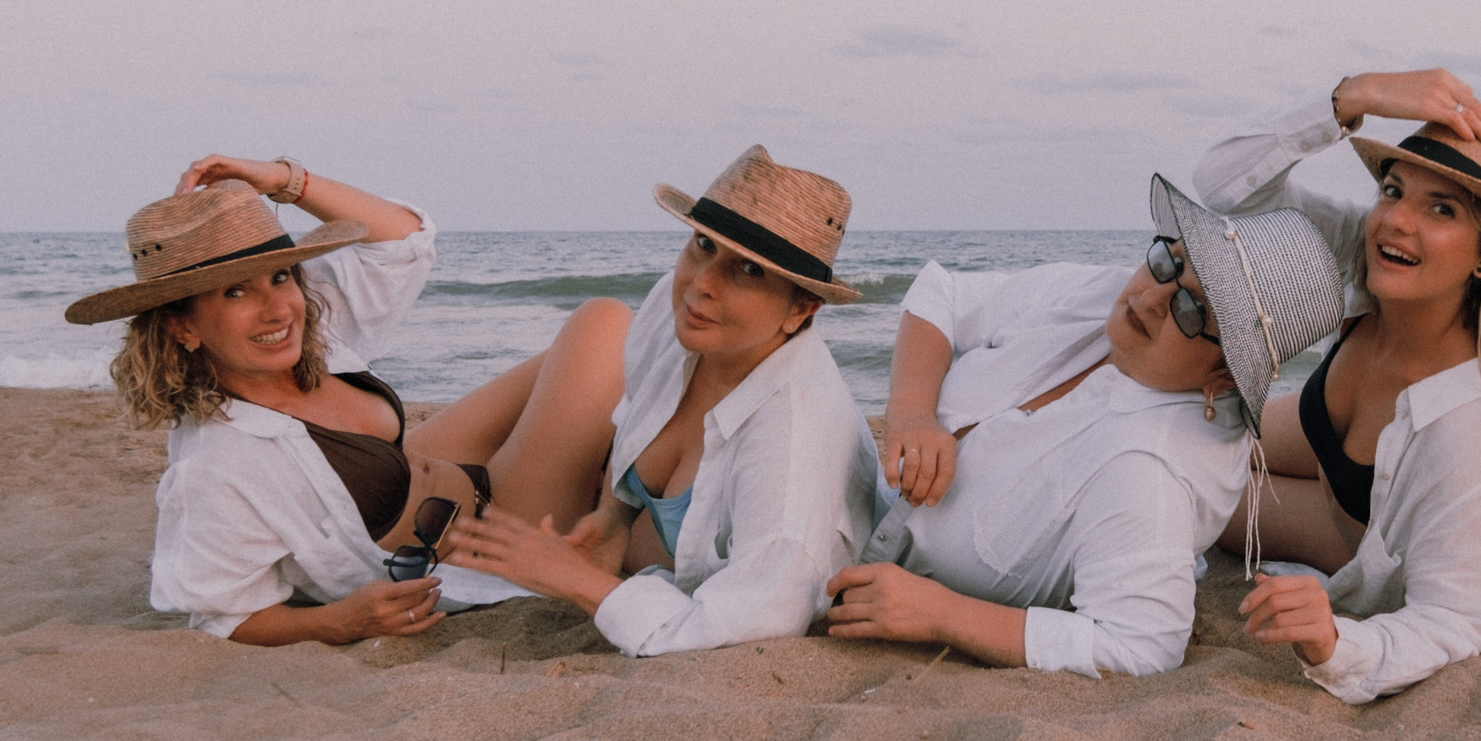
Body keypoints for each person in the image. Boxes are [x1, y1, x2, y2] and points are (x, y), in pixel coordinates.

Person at [69, 156, 628, 646]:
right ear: (182, 326)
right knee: (607, 324)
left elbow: (402, 238)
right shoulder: (218, 463)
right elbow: (225, 616)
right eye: (235, 291)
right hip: (491, 532)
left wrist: (282, 179)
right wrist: (337, 622)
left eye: (280, 276)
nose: (277, 310)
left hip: (436, 474)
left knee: (597, 350)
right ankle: (609, 505)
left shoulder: (307, 327)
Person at [820, 176, 1344, 677]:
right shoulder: (1106, 297)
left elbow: (1140, 646)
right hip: (850, 487)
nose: (1151, 298)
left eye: (1192, 309)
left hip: (843, 558)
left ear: (1225, 376)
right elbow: (943, 295)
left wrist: (942, 614)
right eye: (1170, 262)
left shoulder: (1150, 470)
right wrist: (912, 411)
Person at [1190, 70, 1481, 704]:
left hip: (1367, 535)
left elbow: (1460, 621)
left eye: (1442, 209)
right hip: (1333, 452)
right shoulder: (1372, 258)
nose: (1397, 222)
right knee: (1188, 435)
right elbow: (1222, 191)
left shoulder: (1468, 428)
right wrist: (1353, 97)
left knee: (1199, 488)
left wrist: (1336, 644)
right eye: (1394, 191)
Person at [449, 147, 886, 655]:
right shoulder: (682, 311)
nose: (702, 283)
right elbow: (636, 409)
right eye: (704, 244)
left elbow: (753, 621)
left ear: (801, 311)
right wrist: (614, 516)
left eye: (749, 270)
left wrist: (578, 581)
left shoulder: (792, 446)